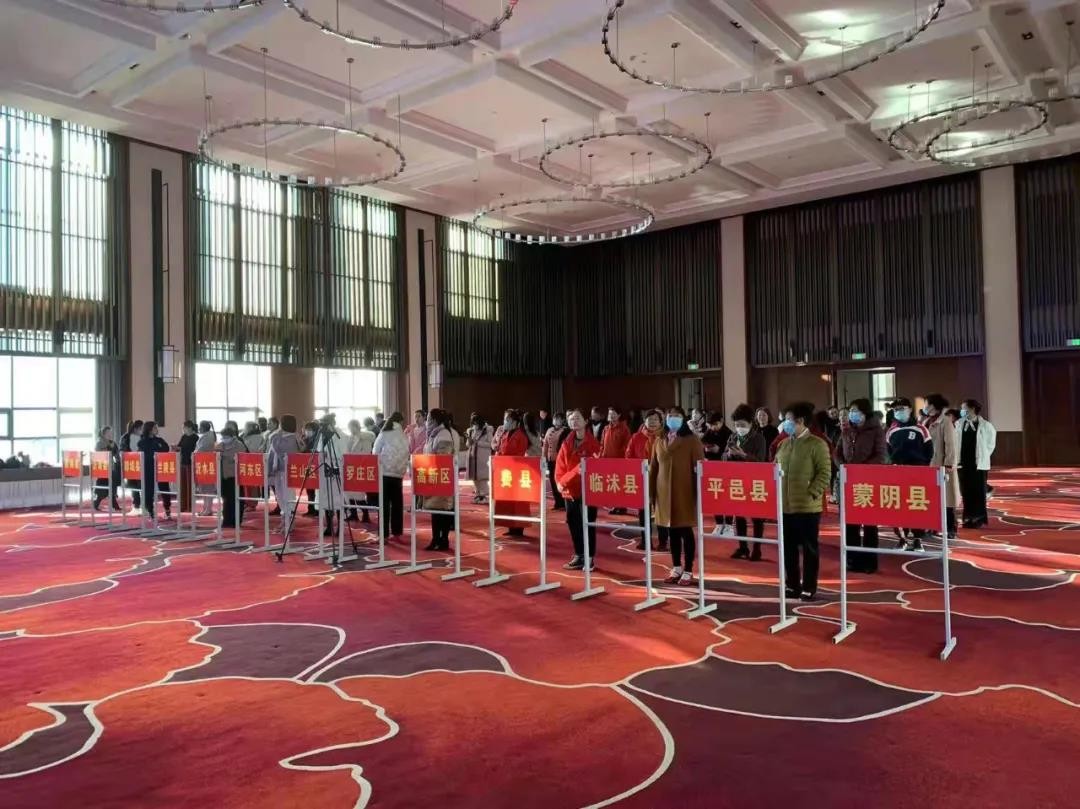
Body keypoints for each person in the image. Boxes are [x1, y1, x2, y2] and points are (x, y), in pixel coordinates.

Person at [775, 402, 831, 601]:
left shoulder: (817, 444)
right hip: (786, 506)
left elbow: (825, 473)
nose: (785, 424)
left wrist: (811, 493)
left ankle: (809, 586)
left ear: (800, 421)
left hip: (808, 508)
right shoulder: (783, 444)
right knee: (788, 549)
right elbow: (774, 470)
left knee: (809, 549)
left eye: (788, 420)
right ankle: (792, 585)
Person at [650, 406, 705, 586]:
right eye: (670, 416)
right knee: (671, 531)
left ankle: (688, 569)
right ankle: (676, 567)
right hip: (663, 493)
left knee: (685, 531)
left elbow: (700, 468)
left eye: (677, 416)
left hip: (685, 492)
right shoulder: (660, 439)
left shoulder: (692, 440)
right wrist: (651, 494)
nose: (673, 419)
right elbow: (653, 468)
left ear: (683, 419)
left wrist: (699, 493)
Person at [834, 398, 887, 574]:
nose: (852, 414)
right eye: (851, 411)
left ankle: (870, 562)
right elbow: (837, 452)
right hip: (849, 480)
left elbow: (881, 456)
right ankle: (853, 559)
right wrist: (842, 466)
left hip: (868, 482)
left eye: (855, 411)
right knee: (850, 523)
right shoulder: (847, 430)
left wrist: (861, 470)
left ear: (865, 413)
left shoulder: (876, 430)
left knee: (870, 524)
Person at [555, 409, 602, 571]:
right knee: (573, 523)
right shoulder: (566, 441)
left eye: (577, 418)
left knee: (588, 523)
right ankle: (579, 554)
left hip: (587, 490)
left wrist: (565, 479)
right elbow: (560, 465)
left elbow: (585, 467)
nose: (573, 421)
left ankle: (589, 557)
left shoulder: (593, 443)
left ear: (585, 421)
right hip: (569, 490)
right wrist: (560, 481)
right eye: (571, 419)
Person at [723, 404, 768, 560]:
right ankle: (743, 547)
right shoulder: (733, 437)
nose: (739, 428)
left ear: (750, 423)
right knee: (739, 515)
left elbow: (761, 460)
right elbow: (723, 456)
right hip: (737, 480)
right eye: (736, 425)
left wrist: (744, 455)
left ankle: (757, 549)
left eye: (742, 425)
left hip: (754, 480)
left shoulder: (758, 438)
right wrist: (729, 455)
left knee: (757, 517)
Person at [625, 409, 665, 550]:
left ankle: (663, 542)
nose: (652, 422)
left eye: (655, 419)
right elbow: (628, 456)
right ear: (644, 421)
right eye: (650, 419)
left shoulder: (665, 437)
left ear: (661, 422)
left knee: (661, 511)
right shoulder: (636, 437)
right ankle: (645, 540)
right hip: (643, 479)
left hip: (661, 479)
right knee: (643, 512)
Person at [420, 408, 458, 552]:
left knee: (442, 510)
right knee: (435, 510)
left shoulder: (444, 435)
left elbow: (443, 459)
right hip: (433, 476)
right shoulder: (434, 434)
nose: (427, 422)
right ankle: (436, 539)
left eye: (429, 419)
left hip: (441, 477)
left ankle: (443, 539)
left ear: (435, 421)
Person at [923, 393, 960, 540]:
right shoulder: (926, 421)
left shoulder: (945, 421)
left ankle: (951, 528)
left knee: (947, 499)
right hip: (928, 465)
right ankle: (933, 526)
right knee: (932, 499)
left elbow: (950, 444)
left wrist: (949, 463)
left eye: (927, 404)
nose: (925, 407)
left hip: (942, 465)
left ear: (933, 405)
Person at [957, 399, 996, 529]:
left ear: (972, 409)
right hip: (963, 463)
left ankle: (978, 518)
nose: (962, 411)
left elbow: (990, 444)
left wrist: (983, 456)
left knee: (978, 492)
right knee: (966, 492)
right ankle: (968, 517)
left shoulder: (986, 426)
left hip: (978, 464)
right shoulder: (959, 423)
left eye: (964, 408)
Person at [494, 409, 531, 537]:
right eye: (504, 419)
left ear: (514, 422)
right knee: (507, 500)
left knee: (517, 501)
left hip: (517, 471)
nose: (504, 422)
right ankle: (510, 525)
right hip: (505, 471)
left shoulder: (521, 435)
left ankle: (519, 527)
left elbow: (520, 454)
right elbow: (500, 450)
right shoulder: (504, 434)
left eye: (507, 420)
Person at [373, 412, 408, 541]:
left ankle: (384, 534)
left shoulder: (385, 433)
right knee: (397, 503)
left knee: (384, 504)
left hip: (385, 472)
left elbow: (375, 451)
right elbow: (407, 453)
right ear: (400, 422)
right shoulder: (403, 435)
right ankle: (397, 532)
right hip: (398, 474)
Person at [267, 415, 302, 530]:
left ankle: (290, 520)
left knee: (288, 496)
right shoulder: (281, 437)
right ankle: (284, 518)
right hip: (278, 470)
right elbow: (272, 453)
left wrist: (276, 435)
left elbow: (278, 448)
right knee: (280, 495)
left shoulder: (292, 438)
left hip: (287, 470)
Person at [702, 410, 734, 536]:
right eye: (710, 425)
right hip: (712, 468)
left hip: (726, 469)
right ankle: (719, 523)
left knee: (727, 497)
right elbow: (702, 442)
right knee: (715, 496)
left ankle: (729, 525)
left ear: (721, 421)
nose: (712, 428)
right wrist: (706, 448)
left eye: (714, 425)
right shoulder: (709, 431)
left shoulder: (729, 433)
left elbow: (730, 452)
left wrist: (719, 450)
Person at [137, 421, 172, 520]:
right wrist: (157, 449)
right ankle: (150, 511)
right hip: (148, 468)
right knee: (149, 490)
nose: (157, 429)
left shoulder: (159, 440)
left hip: (160, 468)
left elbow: (165, 449)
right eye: (155, 428)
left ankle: (167, 509)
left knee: (165, 488)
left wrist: (158, 449)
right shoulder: (142, 442)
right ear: (149, 429)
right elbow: (148, 454)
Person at [345, 418, 376, 523]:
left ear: (355, 426)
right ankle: (353, 513)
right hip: (351, 467)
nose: (350, 430)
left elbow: (366, 453)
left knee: (359, 494)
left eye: (351, 427)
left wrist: (356, 460)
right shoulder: (351, 438)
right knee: (350, 492)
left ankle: (365, 514)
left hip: (360, 468)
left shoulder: (365, 437)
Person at [216, 423, 245, 529]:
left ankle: (236, 520)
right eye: (223, 437)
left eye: (226, 437)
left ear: (232, 436)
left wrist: (225, 455)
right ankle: (227, 520)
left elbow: (241, 457)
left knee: (236, 499)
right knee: (226, 499)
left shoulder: (239, 445)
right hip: (223, 476)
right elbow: (215, 454)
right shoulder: (220, 445)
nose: (224, 439)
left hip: (235, 476)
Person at [542, 412, 570, 510]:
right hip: (550, 459)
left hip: (559, 461)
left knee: (560, 481)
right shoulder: (549, 430)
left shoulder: (565, 431)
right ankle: (557, 502)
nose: (556, 421)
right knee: (552, 481)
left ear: (562, 420)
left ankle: (564, 503)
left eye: (558, 419)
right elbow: (545, 444)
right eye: (555, 419)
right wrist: (544, 457)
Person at [467, 413, 494, 505]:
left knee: (482, 478)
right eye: (473, 423)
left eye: (476, 423)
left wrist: (477, 443)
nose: (475, 425)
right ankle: (478, 494)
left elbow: (490, 444)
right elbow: (468, 444)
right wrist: (470, 441)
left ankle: (484, 496)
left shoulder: (487, 430)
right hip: (472, 457)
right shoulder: (471, 430)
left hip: (482, 457)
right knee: (474, 477)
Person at [92, 426, 121, 511]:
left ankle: (113, 504)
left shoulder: (112, 443)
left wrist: (118, 459)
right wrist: (109, 448)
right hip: (102, 468)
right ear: (103, 434)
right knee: (104, 486)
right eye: (108, 433)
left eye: (111, 433)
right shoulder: (99, 443)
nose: (110, 435)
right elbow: (101, 455)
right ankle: (98, 504)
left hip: (110, 468)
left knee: (110, 485)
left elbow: (116, 455)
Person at [119, 419, 144, 512]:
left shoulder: (142, 437)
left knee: (140, 485)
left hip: (137, 464)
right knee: (134, 486)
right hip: (132, 464)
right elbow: (122, 450)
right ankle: (137, 505)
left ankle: (141, 505)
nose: (142, 430)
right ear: (136, 429)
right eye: (141, 428)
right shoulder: (126, 437)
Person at [194, 421, 218, 516]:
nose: (199, 429)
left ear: (203, 427)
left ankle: (208, 509)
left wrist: (194, 453)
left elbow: (202, 449)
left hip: (206, 463)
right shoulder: (206, 436)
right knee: (204, 488)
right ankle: (205, 508)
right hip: (202, 463)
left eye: (200, 427)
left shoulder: (208, 437)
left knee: (208, 488)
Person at [177, 420, 198, 513]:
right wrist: (176, 447)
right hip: (183, 462)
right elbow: (180, 446)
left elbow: (194, 449)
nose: (183, 429)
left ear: (189, 427)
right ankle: (183, 505)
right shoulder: (184, 436)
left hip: (191, 463)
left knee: (190, 485)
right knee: (182, 485)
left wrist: (182, 448)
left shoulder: (195, 437)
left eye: (184, 428)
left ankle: (190, 505)